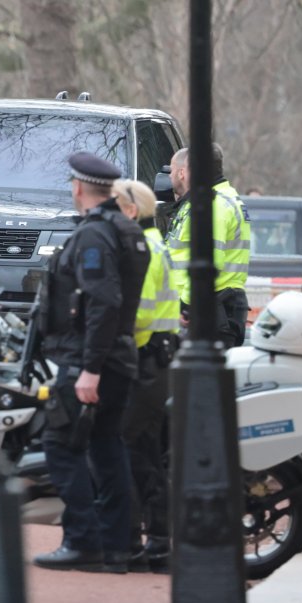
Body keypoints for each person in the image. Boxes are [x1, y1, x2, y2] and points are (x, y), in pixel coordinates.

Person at [33, 153, 150, 574]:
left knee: (60, 445)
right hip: (117, 357)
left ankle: (83, 540)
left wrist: (89, 369)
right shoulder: (126, 229)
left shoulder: (95, 236)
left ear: (78, 188)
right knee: (106, 449)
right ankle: (116, 546)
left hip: (90, 359)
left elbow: (103, 301)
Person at [112, 179, 180, 572]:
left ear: (132, 211)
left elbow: (137, 315)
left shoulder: (144, 251)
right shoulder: (156, 244)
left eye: (116, 208)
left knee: (124, 446)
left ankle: (133, 541)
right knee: (146, 452)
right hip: (158, 359)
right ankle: (155, 541)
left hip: (145, 360)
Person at [166, 144, 251, 347]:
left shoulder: (214, 204)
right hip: (216, 306)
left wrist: (186, 305)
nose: (172, 176)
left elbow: (208, 260)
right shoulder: (224, 198)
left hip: (208, 309)